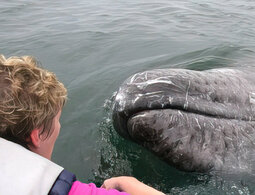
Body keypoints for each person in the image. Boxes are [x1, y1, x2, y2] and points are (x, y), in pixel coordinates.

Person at [0, 55, 165, 195]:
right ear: (38, 136)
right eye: (57, 120)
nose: (59, 126)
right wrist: (128, 183)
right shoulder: (61, 190)